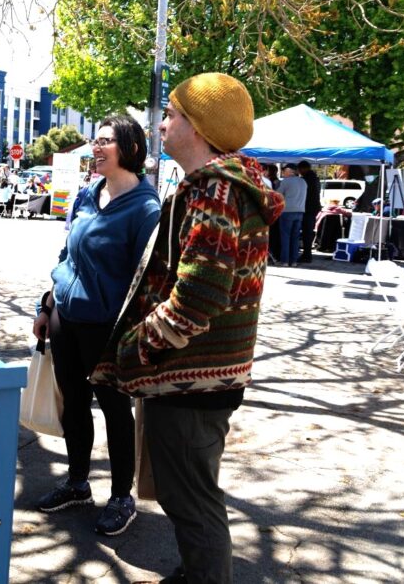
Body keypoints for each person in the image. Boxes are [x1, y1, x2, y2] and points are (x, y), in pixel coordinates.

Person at [92, 72, 284, 583]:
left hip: (192, 378)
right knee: (188, 494)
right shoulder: (219, 185)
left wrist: (137, 347)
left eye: (173, 114)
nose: (163, 124)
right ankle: (197, 571)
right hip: (198, 376)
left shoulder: (217, 189)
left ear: (197, 127)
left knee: (193, 500)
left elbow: (199, 297)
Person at [32, 114, 161, 537]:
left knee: (115, 412)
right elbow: (67, 257)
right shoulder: (87, 195)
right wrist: (46, 305)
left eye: (105, 141)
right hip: (66, 320)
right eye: (95, 140)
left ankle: (122, 496)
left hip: (110, 331)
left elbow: (150, 281)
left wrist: (137, 336)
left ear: (131, 150)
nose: (95, 148)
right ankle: (77, 482)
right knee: (73, 404)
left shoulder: (146, 209)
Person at [277, 163, 307, 267]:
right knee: (295, 237)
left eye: (284, 171)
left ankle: (285, 261)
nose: (283, 173)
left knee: (285, 237)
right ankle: (294, 261)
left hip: (287, 211)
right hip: (300, 211)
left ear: (290, 171)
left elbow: (278, 195)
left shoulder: (286, 181)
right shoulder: (303, 182)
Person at [297, 160, 321, 263]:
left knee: (307, 232)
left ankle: (307, 255)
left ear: (303, 169)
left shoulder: (306, 179)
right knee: (308, 232)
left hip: (307, 208)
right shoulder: (315, 178)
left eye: (299, 169)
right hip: (313, 208)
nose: (299, 171)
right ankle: (307, 254)